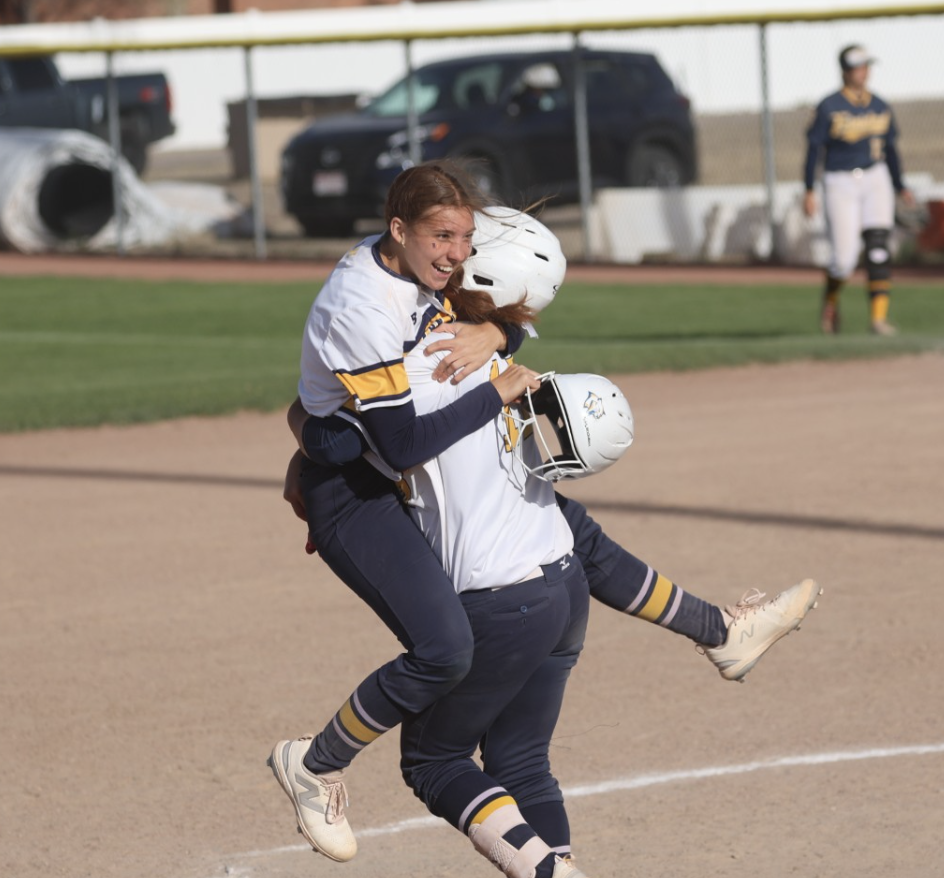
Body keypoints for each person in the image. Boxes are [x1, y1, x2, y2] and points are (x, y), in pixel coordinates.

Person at [269, 187, 823, 863]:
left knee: (435, 761)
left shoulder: (428, 362)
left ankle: (323, 764)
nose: (455, 255)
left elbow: (352, 434)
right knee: (523, 756)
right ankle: (719, 632)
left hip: (503, 600)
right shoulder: (497, 359)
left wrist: (311, 442)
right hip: (565, 590)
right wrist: (502, 337)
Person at [803, 44, 916, 336]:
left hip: (874, 176)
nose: (863, 72)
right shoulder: (829, 106)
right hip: (839, 180)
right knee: (844, 259)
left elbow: (891, 149)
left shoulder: (879, 104)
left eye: (866, 66)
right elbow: (814, 149)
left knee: (879, 247)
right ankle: (830, 302)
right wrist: (808, 189)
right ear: (845, 71)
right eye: (858, 67)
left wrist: (900, 185)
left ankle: (878, 320)